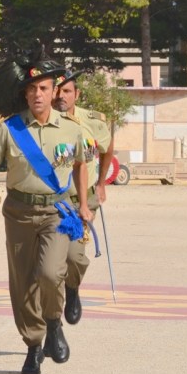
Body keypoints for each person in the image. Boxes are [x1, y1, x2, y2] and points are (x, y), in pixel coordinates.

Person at [0, 55, 91, 374]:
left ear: (54, 91)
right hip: (19, 212)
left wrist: (83, 204)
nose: (37, 94)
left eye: (43, 88)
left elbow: (81, 166)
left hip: (57, 211)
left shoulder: (71, 130)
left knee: (51, 274)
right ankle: (34, 345)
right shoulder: (10, 129)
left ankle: (54, 324)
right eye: (31, 89)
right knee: (23, 281)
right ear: (25, 94)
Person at [54, 70, 113, 325]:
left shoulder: (93, 121)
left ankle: (72, 289)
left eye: (66, 91)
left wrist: (101, 183)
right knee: (50, 260)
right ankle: (51, 316)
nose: (60, 96)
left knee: (75, 256)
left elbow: (107, 147)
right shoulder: (41, 123)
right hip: (53, 200)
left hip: (81, 202)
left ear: (77, 94)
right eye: (56, 91)